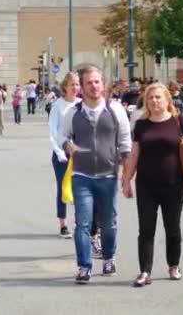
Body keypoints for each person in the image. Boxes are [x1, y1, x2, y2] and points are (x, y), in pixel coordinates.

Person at [121, 83, 183, 287]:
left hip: (173, 183)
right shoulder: (141, 125)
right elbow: (134, 154)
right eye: (150, 98)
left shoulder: (179, 122)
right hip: (146, 185)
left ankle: (173, 265)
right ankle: (144, 271)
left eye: (158, 97)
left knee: (173, 228)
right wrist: (126, 180)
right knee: (146, 230)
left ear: (167, 100)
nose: (154, 101)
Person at [61, 66, 131, 284]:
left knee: (109, 222)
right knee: (82, 223)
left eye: (97, 82)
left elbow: (125, 142)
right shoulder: (73, 112)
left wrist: (126, 174)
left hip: (108, 176)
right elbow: (63, 137)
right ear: (81, 87)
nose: (94, 86)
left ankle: (109, 258)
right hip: (81, 175)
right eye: (89, 82)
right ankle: (84, 266)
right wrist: (67, 145)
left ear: (103, 84)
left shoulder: (115, 110)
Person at [49, 72, 81, 239]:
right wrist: (60, 152)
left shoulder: (82, 104)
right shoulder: (58, 105)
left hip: (79, 154)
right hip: (62, 154)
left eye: (77, 84)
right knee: (63, 188)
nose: (75, 88)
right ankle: (63, 223)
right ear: (65, 87)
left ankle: (81, 222)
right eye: (72, 85)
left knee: (80, 188)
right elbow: (53, 132)